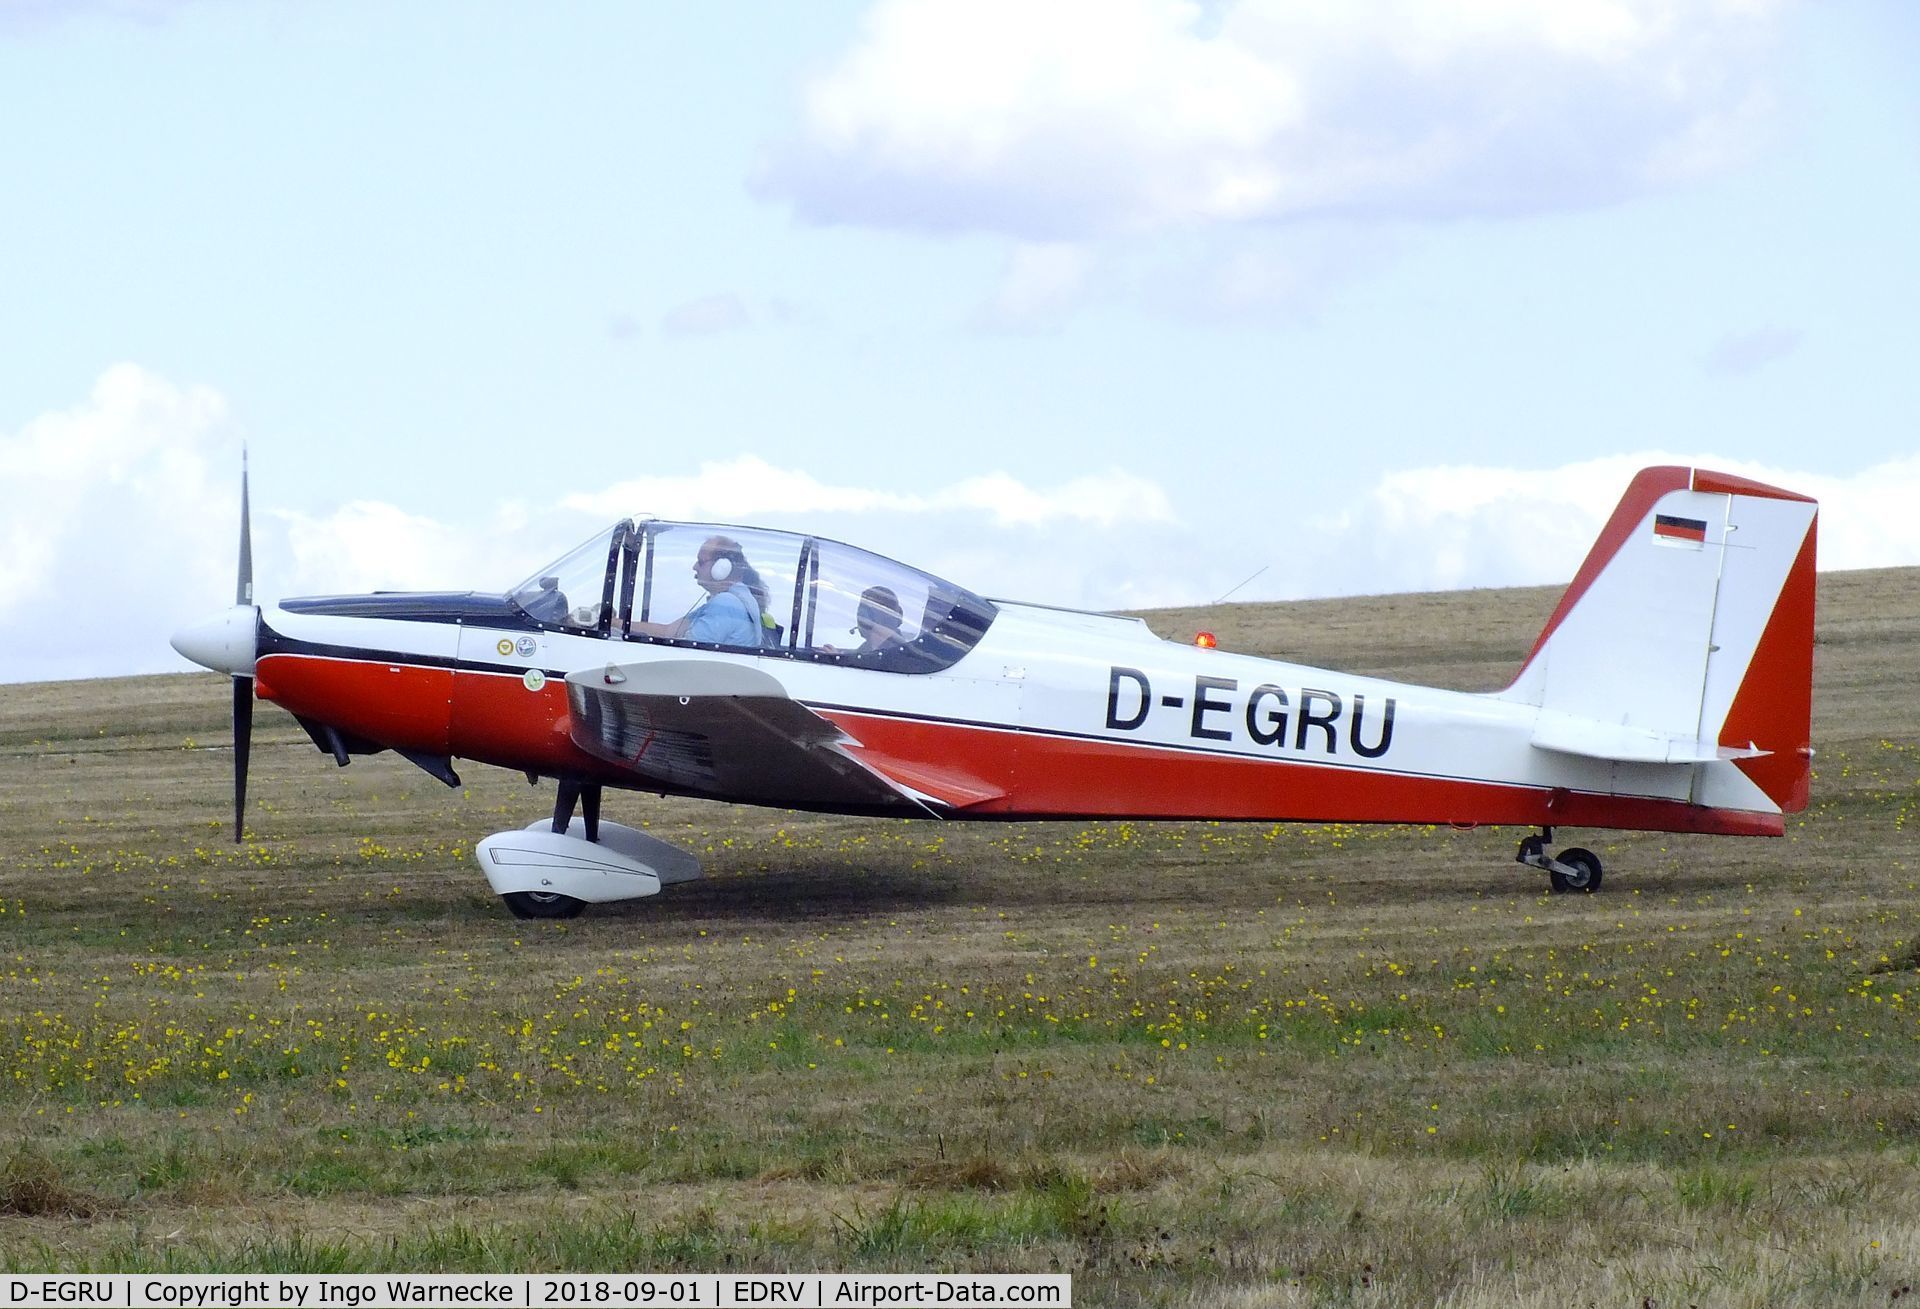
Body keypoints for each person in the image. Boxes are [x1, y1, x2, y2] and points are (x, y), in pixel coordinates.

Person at [628, 535, 770, 647]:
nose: (694, 567)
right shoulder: (730, 600)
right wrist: (616, 623)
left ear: (722, 567)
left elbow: (687, 650)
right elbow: (668, 632)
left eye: (700, 562)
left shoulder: (726, 604)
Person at [823, 586, 906, 655]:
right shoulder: (868, 647)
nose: (860, 618)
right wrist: (838, 656)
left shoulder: (899, 654)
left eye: (862, 613)